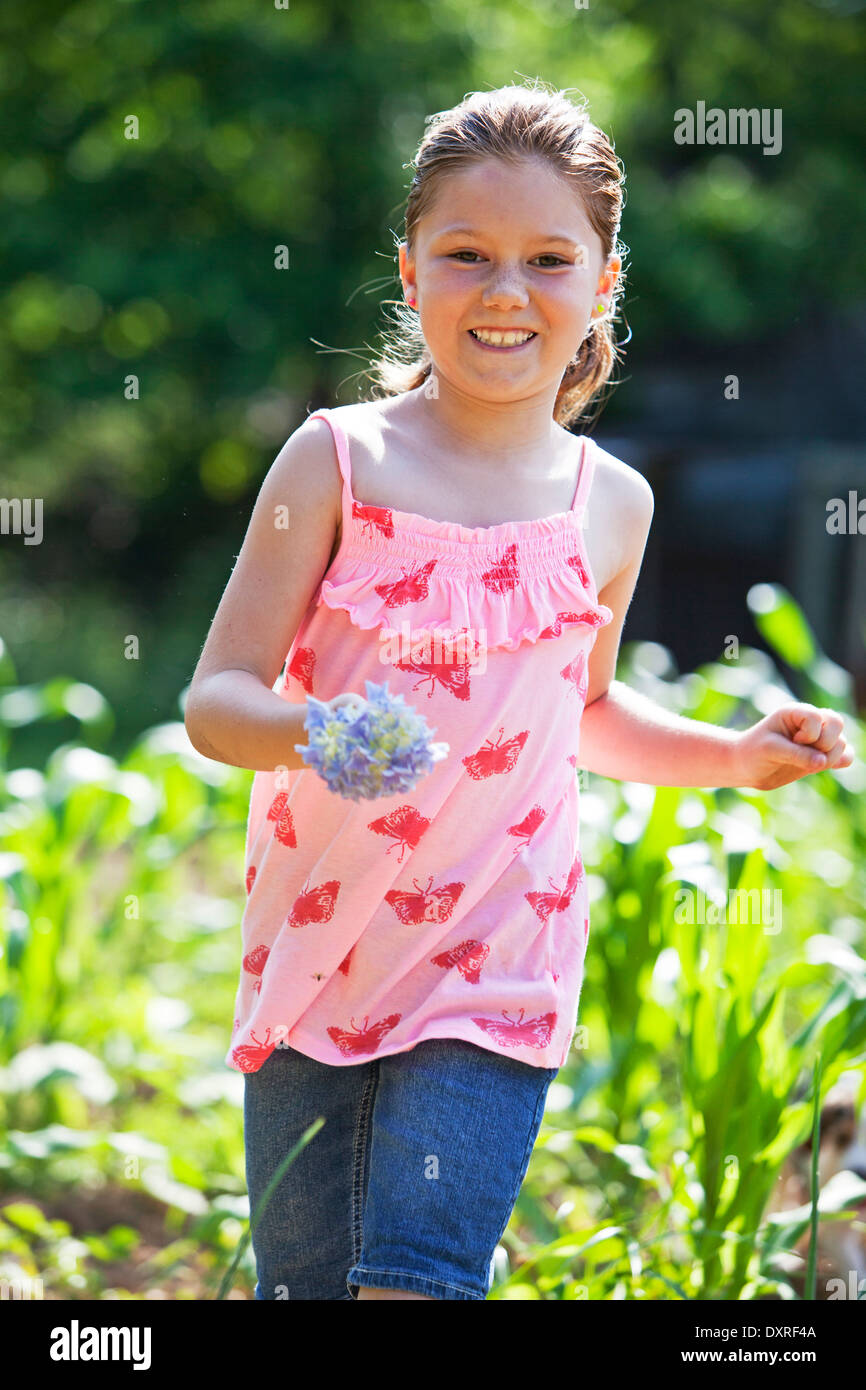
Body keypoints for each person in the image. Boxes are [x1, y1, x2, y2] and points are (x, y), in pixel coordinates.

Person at [183, 81, 854, 1302]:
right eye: (466, 254)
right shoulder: (335, 457)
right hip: (319, 945)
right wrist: (314, 729)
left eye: (548, 258)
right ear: (409, 271)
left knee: (421, 1278)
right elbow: (215, 699)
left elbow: (580, 715)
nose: (505, 289)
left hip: (499, 960)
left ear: (602, 282)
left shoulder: (610, 502)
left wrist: (734, 753)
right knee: (306, 1286)